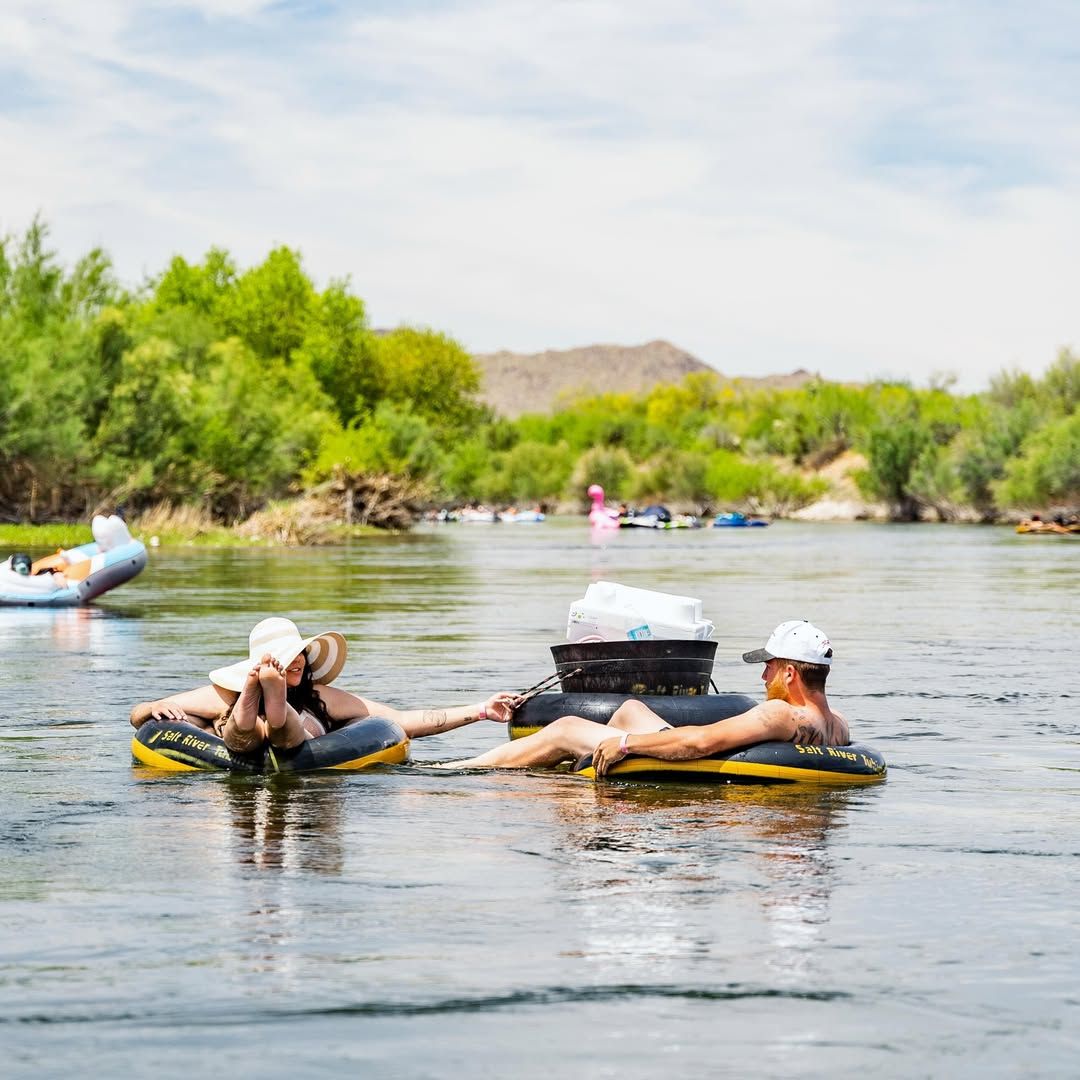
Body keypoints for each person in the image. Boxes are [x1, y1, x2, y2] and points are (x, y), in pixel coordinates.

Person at [441, 620, 849, 775]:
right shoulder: (837, 724)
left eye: (770, 667)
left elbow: (700, 742)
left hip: (685, 771)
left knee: (565, 727)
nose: (763, 675)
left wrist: (624, 743)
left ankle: (456, 770)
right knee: (632, 708)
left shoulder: (781, 713)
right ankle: (584, 769)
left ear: (791, 673)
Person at [129, 617, 517, 753]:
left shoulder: (323, 698)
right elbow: (138, 713)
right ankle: (261, 697)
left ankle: (274, 702)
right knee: (243, 732)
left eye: (298, 653)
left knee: (287, 729)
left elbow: (402, 721)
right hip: (240, 736)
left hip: (295, 735)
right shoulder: (222, 692)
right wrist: (152, 709)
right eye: (285, 657)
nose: (296, 660)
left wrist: (481, 710)